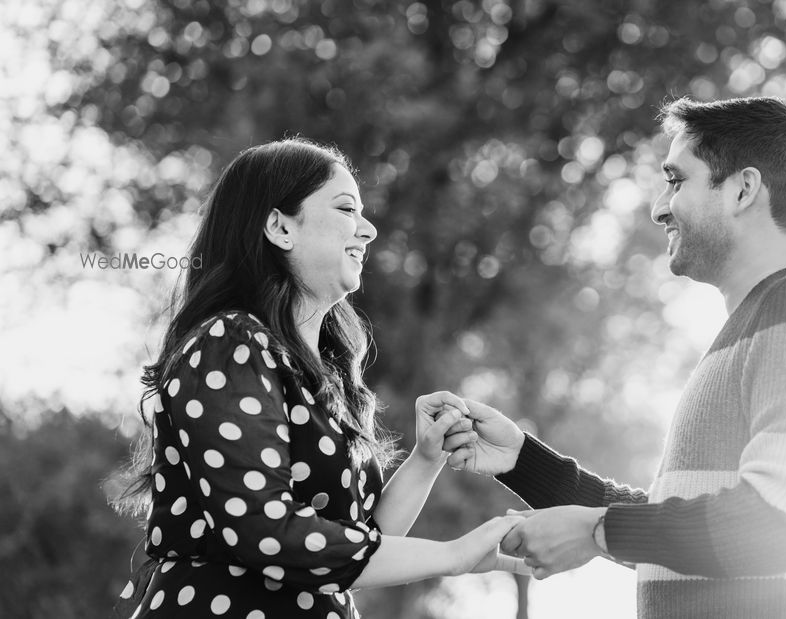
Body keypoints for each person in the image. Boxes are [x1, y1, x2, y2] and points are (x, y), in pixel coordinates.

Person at [445, 97, 786, 618]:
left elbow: (781, 522)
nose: (658, 206)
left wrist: (598, 532)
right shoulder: (754, 325)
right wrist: (525, 463)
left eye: (676, 180)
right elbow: (683, 530)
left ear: (743, 189)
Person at [111, 138, 525, 618]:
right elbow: (267, 532)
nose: (367, 230)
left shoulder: (318, 370)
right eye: (347, 208)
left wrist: (427, 458)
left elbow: (358, 544)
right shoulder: (230, 343)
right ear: (280, 226)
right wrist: (453, 555)